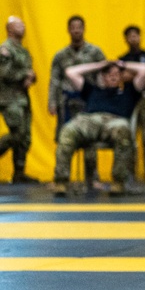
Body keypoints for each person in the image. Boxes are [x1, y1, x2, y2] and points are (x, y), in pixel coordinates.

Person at [51, 59, 145, 195]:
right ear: (103, 76)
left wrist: (122, 64)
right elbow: (70, 72)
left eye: (117, 74)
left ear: (122, 76)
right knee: (68, 130)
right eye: (109, 73)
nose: (113, 76)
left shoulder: (130, 91)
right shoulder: (91, 90)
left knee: (123, 130)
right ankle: (61, 181)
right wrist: (99, 65)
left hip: (115, 121)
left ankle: (118, 182)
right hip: (89, 121)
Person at [48, 16, 105, 184]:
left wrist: (102, 99)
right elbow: (54, 80)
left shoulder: (95, 52)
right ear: (68, 30)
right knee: (64, 138)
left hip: (89, 101)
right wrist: (51, 102)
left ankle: (92, 177)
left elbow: (103, 75)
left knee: (90, 138)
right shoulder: (60, 55)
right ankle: (61, 179)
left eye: (79, 27)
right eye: (73, 27)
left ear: (84, 29)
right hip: (66, 102)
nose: (76, 30)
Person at [0, 16, 38, 183]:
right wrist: (25, 75)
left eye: (23, 24)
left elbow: (28, 72)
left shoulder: (23, 50)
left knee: (25, 137)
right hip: (9, 98)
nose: (23, 27)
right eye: (18, 25)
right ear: (9, 28)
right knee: (18, 134)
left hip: (23, 98)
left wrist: (32, 77)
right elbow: (4, 73)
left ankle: (19, 173)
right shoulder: (5, 49)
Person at [118, 26, 145, 176]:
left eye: (136, 35)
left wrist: (135, 70)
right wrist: (143, 70)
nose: (133, 38)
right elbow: (123, 77)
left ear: (140, 37)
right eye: (130, 36)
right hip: (129, 99)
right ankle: (129, 175)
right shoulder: (122, 59)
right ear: (126, 39)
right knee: (129, 138)